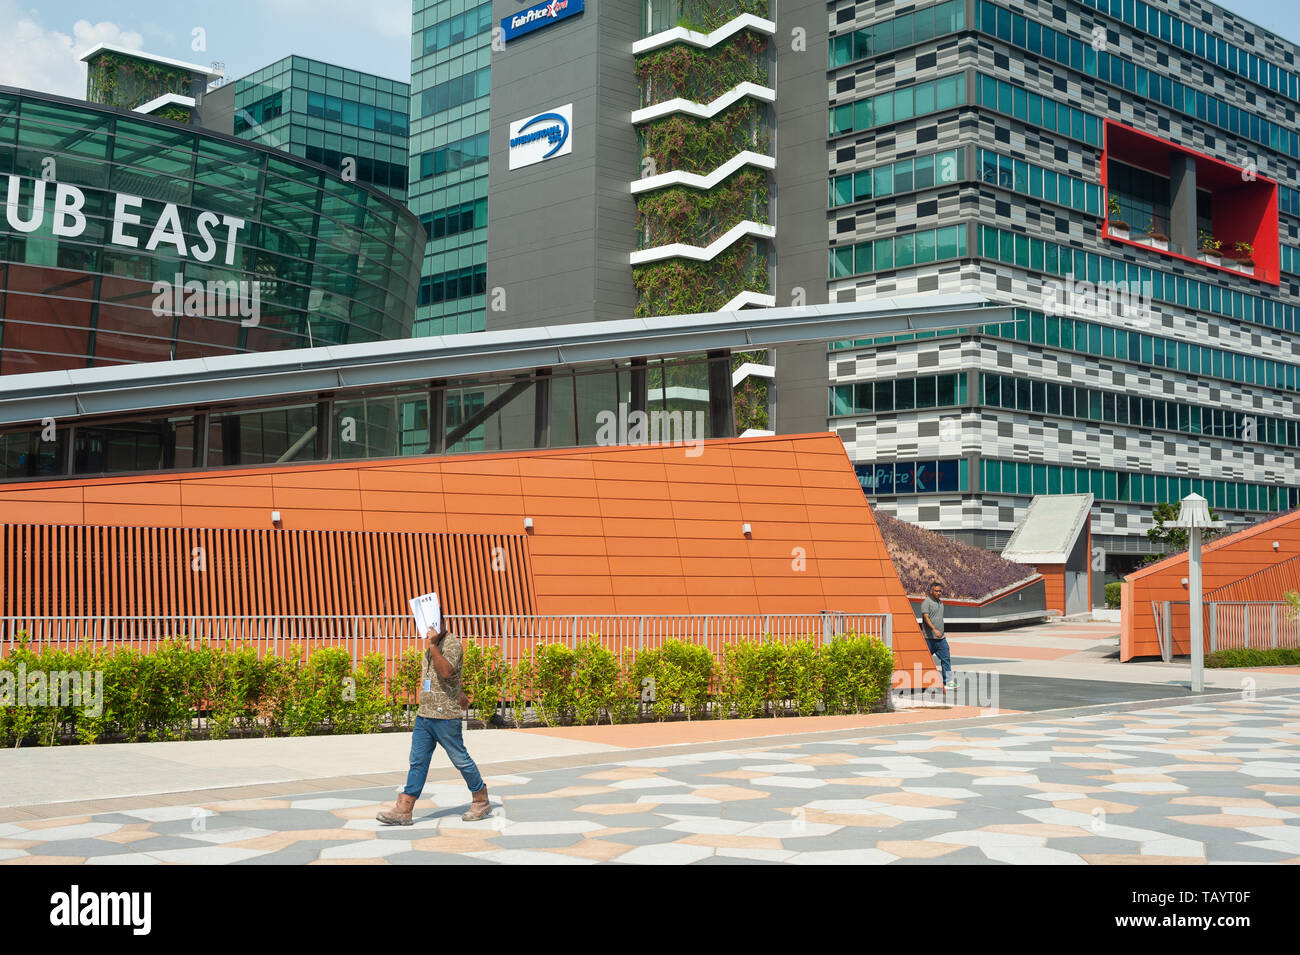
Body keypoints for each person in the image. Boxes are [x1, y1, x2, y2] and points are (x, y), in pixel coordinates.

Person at [377, 620, 492, 825]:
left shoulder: (451, 643)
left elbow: (446, 671)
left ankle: (480, 799)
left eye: (428, 623)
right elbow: (447, 678)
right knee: (417, 761)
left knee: (460, 760)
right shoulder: (434, 643)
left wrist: (432, 646)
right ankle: (404, 809)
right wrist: (460, 692)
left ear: (439, 623)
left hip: (445, 716)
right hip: (425, 714)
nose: (425, 629)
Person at [920, 580, 957, 691]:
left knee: (946, 658)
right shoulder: (926, 602)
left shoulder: (941, 603)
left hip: (941, 638)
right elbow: (926, 617)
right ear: (931, 591)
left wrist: (939, 632)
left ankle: (948, 681)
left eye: (940, 591)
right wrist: (934, 629)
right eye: (936, 591)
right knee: (925, 661)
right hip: (929, 638)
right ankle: (920, 682)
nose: (938, 593)